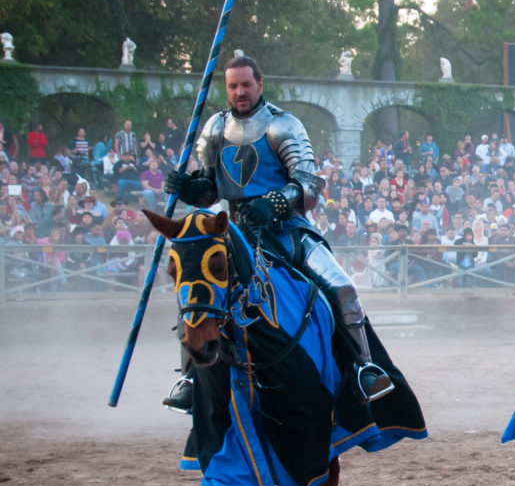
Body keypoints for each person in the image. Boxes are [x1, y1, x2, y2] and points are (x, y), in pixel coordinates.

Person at [163, 54, 393, 410]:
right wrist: (189, 189)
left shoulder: (283, 126)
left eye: (246, 85)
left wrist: (275, 203)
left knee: (343, 287)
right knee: (196, 286)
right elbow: (210, 187)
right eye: (233, 86)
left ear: (260, 85)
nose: (240, 92)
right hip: (233, 230)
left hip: (287, 229)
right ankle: (191, 375)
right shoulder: (214, 128)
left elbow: (309, 183)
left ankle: (364, 366)